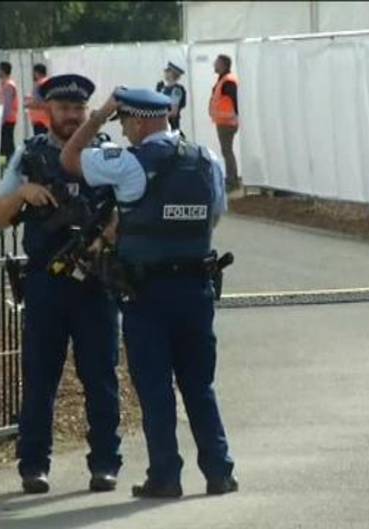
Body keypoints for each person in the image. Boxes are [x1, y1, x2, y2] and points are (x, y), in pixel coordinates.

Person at [61, 87, 238, 499]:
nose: (123, 129)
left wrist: (98, 116)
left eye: (123, 122)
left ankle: (166, 475)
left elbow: (69, 160)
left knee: (156, 388)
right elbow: (213, 217)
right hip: (196, 289)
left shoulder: (129, 163)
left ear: (138, 121)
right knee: (199, 384)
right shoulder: (206, 159)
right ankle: (219, 471)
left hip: (147, 292)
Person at [0, 74, 122, 495]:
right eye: (64, 109)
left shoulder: (106, 155)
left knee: (101, 378)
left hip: (96, 282)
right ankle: (34, 466)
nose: (72, 116)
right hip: (46, 283)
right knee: (40, 378)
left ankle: (105, 463)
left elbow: (130, 209)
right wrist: (24, 193)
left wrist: (104, 240)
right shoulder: (29, 157)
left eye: (79, 109)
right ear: (48, 112)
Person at [210, 54, 239, 191]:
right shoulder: (224, 79)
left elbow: (235, 99)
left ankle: (232, 180)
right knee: (226, 151)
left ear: (222, 64)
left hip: (227, 122)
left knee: (227, 151)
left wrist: (236, 116)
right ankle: (231, 178)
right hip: (224, 121)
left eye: (216, 62)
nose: (214, 65)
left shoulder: (228, 81)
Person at [155, 61, 187, 132]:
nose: (165, 73)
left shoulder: (176, 90)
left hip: (172, 124)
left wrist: (159, 117)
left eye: (167, 71)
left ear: (172, 73)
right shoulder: (164, 88)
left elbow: (173, 112)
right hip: (164, 124)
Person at [0, 61, 20, 160]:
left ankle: (12, 163)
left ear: (2, 71)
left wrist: (2, 120)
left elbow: (7, 105)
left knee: (8, 144)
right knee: (7, 143)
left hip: (8, 119)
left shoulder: (8, 85)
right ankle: (10, 162)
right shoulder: (5, 84)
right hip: (8, 118)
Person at [25, 63, 51, 136]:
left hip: (40, 121)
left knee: (40, 144)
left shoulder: (40, 84)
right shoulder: (49, 82)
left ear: (36, 72)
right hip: (48, 120)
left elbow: (38, 102)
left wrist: (28, 104)